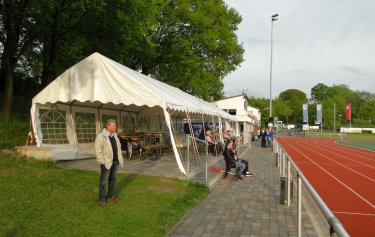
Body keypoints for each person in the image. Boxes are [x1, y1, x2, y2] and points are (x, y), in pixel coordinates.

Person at [95, 119, 124, 206]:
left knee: (113, 179)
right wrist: (102, 162)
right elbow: (97, 150)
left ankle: (111, 195)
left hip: (115, 162)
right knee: (103, 181)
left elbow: (118, 148)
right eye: (114, 125)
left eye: (115, 125)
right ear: (108, 126)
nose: (115, 127)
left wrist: (119, 159)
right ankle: (102, 198)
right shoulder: (101, 136)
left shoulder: (115, 136)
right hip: (106, 162)